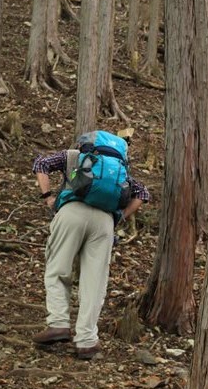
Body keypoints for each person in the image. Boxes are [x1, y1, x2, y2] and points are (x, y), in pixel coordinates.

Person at [32, 135, 149, 360]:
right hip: (104, 223)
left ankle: (58, 324)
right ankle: (86, 341)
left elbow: (41, 164)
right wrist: (119, 217)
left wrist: (48, 197)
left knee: (58, 270)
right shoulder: (119, 170)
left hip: (71, 213)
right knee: (95, 282)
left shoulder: (73, 157)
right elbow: (142, 194)